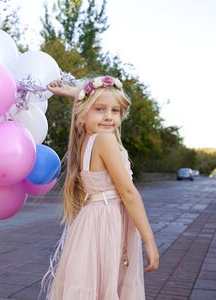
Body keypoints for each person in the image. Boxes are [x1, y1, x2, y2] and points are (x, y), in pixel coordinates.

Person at [39, 76, 159, 300]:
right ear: (83, 113)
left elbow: (90, 103)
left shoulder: (89, 138)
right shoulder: (104, 139)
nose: (108, 117)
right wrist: (149, 240)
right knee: (104, 284)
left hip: (95, 219)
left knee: (94, 285)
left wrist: (74, 92)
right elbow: (128, 192)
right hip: (106, 221)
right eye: (100, 109)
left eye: (115, 111)